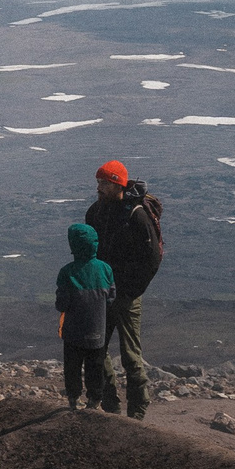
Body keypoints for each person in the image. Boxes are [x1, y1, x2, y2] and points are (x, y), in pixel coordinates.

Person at [84, 160, 163, 419]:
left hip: (127, 296)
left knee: (130, 355)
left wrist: (131, 291)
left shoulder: (136, 215)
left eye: (104, 183)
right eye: (98, 182)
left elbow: (152, 258)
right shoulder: (95, 212)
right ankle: (111, 407)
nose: (99, 187)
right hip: (103, 293)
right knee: (96, 349)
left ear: (117, 184)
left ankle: (137, 413)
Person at [54, 222, 117, 410]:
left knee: (72, 367)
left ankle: (74, 399)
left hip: (73, 332)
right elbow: (111, 298)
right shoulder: (105, 269)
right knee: (95, 367)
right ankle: (94, 400)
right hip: (97, 330)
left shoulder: (67, 272)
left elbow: (61, 304)